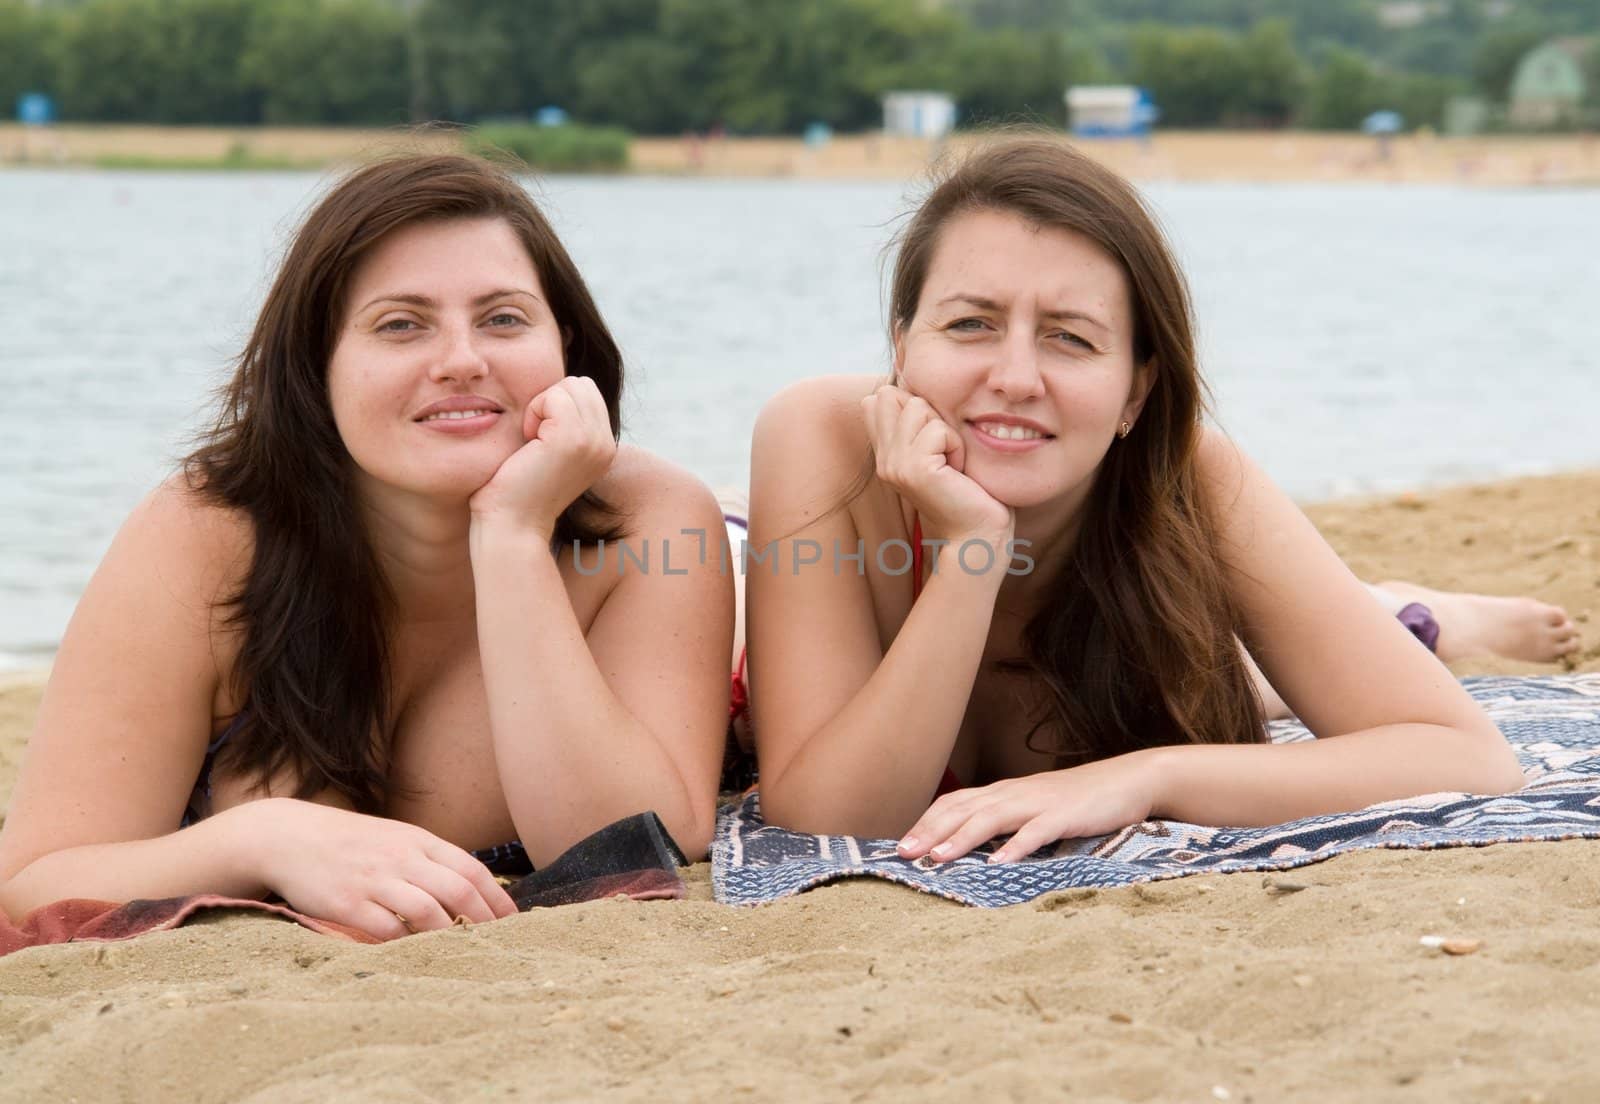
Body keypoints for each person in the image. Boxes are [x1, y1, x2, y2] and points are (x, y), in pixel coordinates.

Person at [742, 138, 1575, 865]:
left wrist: (1145, 776)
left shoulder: (1187, 474)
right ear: (900, 346)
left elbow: (1472, 761)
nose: (1016, 378)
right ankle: (1407, 617)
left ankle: (1409, 619)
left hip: (1139, 619)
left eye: (1071, 337)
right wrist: (972, 550)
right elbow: (835, 820)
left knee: (1242, 679)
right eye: (970, 324)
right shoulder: (821, 440)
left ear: (1136, 392)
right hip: (826, 587)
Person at [0, 155, 734, 938]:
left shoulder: (649, 521)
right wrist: (267, 837)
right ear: (316, 371)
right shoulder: (208, 536)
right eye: (400, 325)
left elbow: (626, 847)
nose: (460, 360)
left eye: (504, 318)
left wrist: (513, 536)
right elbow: (33, 883)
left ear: (569, 349)